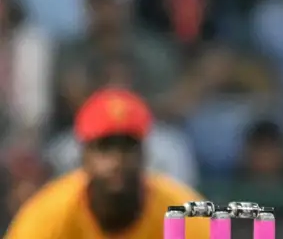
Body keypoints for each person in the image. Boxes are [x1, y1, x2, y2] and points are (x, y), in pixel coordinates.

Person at [5, 88, 208, 239]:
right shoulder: (47, 216)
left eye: (126, 147)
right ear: (84, 157)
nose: (117, 160)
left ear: (144, 154)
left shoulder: (183, 213)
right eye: (105, 147)